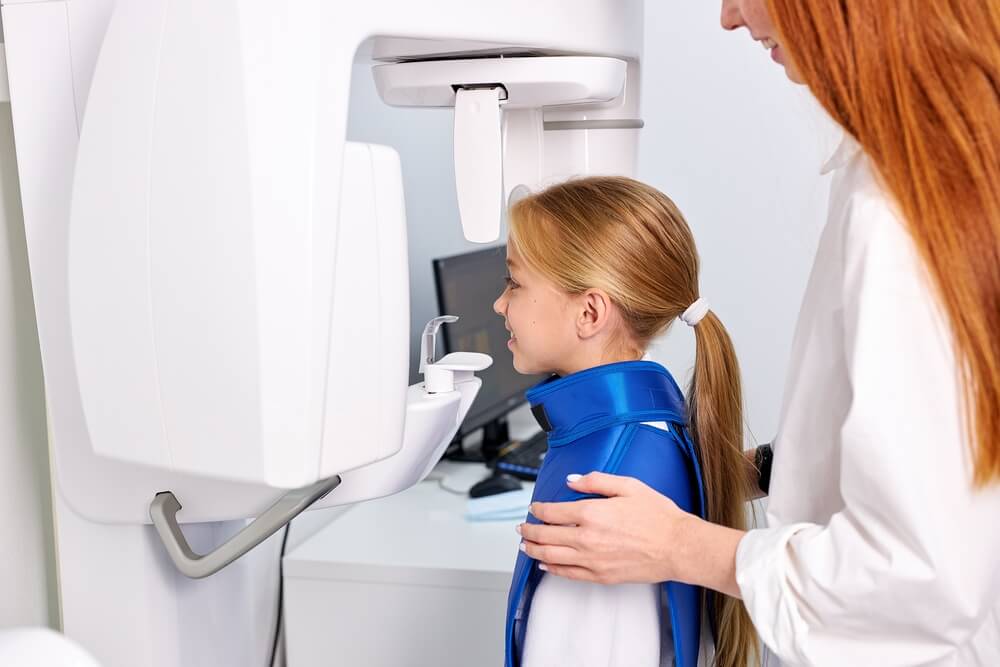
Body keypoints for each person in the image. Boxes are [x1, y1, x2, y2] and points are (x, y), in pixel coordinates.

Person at [517, 0, 1000, 664]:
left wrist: (681, 545)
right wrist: (748, 470)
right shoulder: (914, 171)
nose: (728, 16)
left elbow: (920, 580)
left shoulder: (902, 218)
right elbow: (936, 440)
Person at [494, 176, 757, 667]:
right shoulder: (654, 428)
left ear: (590, 311)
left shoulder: (600, 502)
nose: (500, 304)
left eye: (514, 282)